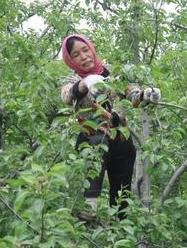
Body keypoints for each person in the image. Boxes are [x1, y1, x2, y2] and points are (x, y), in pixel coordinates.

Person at [60, 34, 160, 221]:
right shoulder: (72, 77)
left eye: (85, 50)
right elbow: (67, 96)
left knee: (121, 193)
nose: (83, 56)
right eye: (76, 54)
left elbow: (131, 95)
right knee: (96, 146)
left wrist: (146, 95)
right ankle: (89, 207)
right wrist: (86, 83)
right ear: (70, 59)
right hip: (91, 138)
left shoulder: (111, 72)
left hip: (119, 136)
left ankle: (119, 227)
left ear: (92, 49)